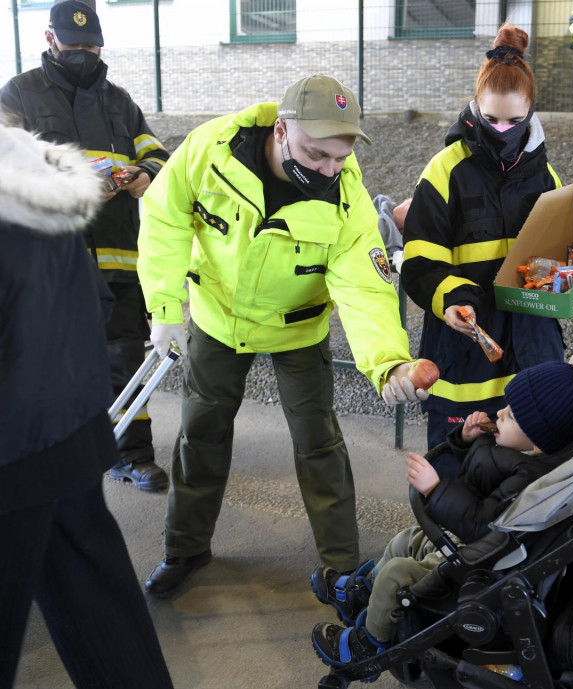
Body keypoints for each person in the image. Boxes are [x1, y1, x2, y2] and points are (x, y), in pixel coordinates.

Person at [136, 73, 429, 600]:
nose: (328, 171)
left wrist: (388, 364)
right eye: (317, 155)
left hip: (298, 328)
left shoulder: (348, 202)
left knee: (319, 442)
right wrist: (163, 308)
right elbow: (164, 218)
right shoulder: (210, 150)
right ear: (280, 129)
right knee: (200, 433)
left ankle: (342, 569)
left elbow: (365, 286)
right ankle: (184, 548)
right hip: (217, 319)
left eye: (339, 160)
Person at [307, 343, 573, 669]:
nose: (500, 413)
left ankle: (368, 648)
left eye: (512, 415)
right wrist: (465, 439)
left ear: (540, 439)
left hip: (479, 563)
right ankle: (363, 594)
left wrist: (435, 489)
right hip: (469, 543)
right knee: (406, 539)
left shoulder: (530, 479)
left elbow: (479, 522)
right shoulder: (522, 452)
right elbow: (479, 477)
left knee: (397, 575)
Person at [0, 124, 175, 689]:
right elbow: (94, 300)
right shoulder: (25, 166)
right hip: (69, 425)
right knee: (99, 606)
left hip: (13, 444)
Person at [402, 24, 573, 451]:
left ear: (532, 111)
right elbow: (420, 262)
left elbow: (561, 269)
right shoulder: (444, 170)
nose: (502, 130)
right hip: (465, 352)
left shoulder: (547, 177)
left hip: (532, 358)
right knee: (455, 470)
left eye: (515, 121)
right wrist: (450, 300)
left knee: (524, 479)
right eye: (491, 118)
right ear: (475, 107)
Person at [0, 0, 171, 492]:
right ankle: (57, 458)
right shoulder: (19, 94)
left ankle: (132, 455)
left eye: (91, 46)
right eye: (73, 46)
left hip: (119, 255)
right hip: (54, 259)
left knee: (126, 357)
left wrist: (144, 175)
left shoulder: (119, 101)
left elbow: (158, 155)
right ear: (50, 39)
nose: (82, 54)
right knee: (53, 357)